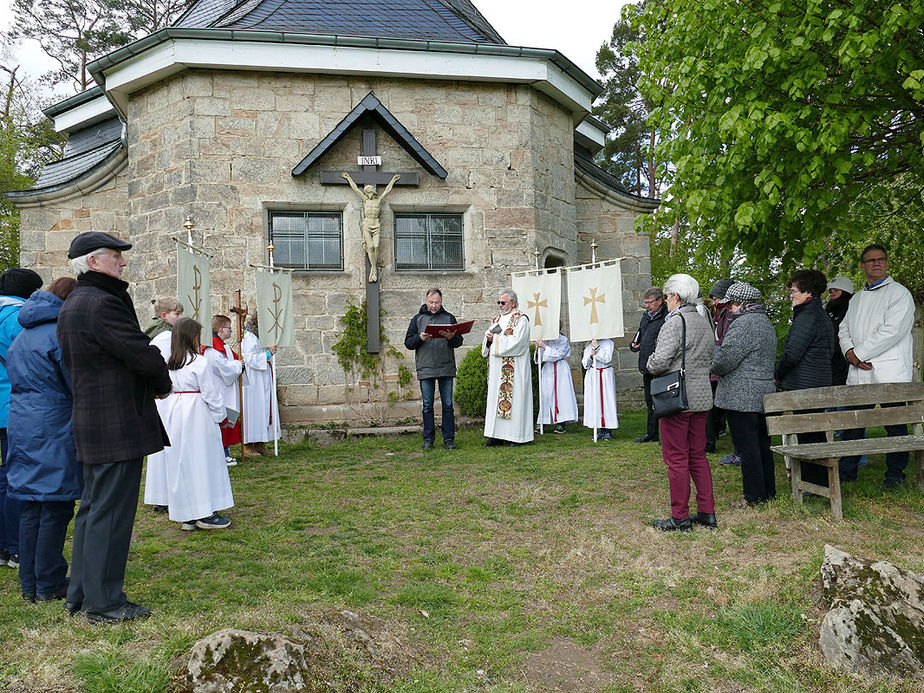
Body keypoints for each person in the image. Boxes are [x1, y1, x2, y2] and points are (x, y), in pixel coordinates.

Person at [57, 232, 172, 623]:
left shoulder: (78, 301)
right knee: (111, 514)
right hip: (115, 422)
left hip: (95, 419)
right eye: (116, 257)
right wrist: (161, 380)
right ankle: (105, 604)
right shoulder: (100, 303)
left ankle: (81, 593)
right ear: (93, 262)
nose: (123, 263)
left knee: (93, 509)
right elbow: (140, 353)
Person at [6, 278, 79, 602]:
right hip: (52, 421)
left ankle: (30, 583)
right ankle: (48, 582)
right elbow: (73, 380)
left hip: (22, 420)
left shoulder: (24, 333)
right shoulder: (58, 333)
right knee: (55, 504)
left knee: (32, 506)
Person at [837, 244, 915, 489]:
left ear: (887, 263)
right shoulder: (857, 298)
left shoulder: (899, 294)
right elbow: (844, 328)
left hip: (890, 371)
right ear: (863, 266)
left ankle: (895, 475)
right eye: (871, 261)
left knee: (895, 424)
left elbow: (892, 331)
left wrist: (858, 352)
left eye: (881, 259)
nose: (877, 263)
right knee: (854, 423)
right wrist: (850, 352)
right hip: (859, 370)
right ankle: (847, 471)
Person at [645, 274, 716, 531]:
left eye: (666, 296)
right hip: (701, 397)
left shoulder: (675, 322)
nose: (665, 300)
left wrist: (649, 363)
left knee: (676, 458)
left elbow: (661, 360)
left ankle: (680, 516)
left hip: (678, 397)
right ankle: (707, 512)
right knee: (697, 456)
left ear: (676, 296)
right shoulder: (703, 319)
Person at [157, 317, 234, 530]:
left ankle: (188, 514)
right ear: (192, 337)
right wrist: (221, 416)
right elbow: (211, 394)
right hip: (197, 413)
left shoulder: (170, 362)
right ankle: (204, 512)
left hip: (175, 413)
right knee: (203, 460)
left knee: (182, 461)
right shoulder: (199, 362)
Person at [711, 281, 778, 508]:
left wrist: (713, 363)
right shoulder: (764, 322)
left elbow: (725, 360)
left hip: (742, 396)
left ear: (741, 303)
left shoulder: (743, 324)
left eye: (731, 304)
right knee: (761, 446)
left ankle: (753, 497)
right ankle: (767, 492)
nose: (728, 309)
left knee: (747, 449)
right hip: (761, 393)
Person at [775, 270, 837, 486]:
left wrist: (777, 374)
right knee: (813, 434)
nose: (791, 295)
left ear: (808, 291)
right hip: (816, 381)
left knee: (807, 436)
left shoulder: (808, 316)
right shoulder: (819, 314)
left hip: (804, 385)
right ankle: (817, 481)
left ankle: (813, 483)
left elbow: (792, 353)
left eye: (794, 291)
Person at [0, 267, 43, 570]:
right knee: (16, 477)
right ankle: (16, 546)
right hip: (11, 405)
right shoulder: (17, 318)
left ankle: (4, 546)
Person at [404, 288, 463, 450]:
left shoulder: (449, 317)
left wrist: (452, 338)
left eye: (437, 302)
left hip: (446, 367)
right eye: (431, 302)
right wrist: (419, 338)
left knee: (448, 404)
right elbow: (408, 343)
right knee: (428, 405)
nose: (434, 305)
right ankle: (428, 439)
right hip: (426, 367)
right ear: (426, 301)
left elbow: (458, 342)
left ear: (441, 302)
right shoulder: (418, 319)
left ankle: (449, 440)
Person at [482, 288, 533, 446]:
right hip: (498, 369)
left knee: (516, 400)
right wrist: (490, 340)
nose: (500, 305)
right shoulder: (497, 320)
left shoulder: (521, 319)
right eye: (498, 302)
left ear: (513, 303)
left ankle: (517, 437)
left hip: (514, 369)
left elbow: (518, 344)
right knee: (495, 400)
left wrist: (496, 339)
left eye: (503, 302)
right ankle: (495, 435)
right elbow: (487, 343)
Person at [342, 172, 400, 283]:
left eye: (369, 192)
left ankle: (374, 267)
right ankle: (373, 268)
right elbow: (356, 189)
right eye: (366, 192)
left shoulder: (378, 200)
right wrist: (349, 178)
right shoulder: (365, 200)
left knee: (376, 246)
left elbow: (387, 191)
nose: (367, 193)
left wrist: (393, 180)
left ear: (372, 192)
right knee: (370, 247)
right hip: (367, 225)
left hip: (376, 225)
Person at [204, 314, 243, 464]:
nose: (231, 331)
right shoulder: (214, 349)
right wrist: (239, 365)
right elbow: (225, 369)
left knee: (225, 422)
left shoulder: (220, 346)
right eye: (229, 328)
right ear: (221, 329)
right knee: (222, 423)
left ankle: (224, 452)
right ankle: (223, 454)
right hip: (220, 390)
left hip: (221, 389)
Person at [630, 287, 667, 443]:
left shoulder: (667, 317)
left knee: (664, 402)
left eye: (649, 303)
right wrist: (633, 345)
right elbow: (639, 335)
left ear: (659, 301)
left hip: (661, 367)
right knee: (650, 402)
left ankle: (666, 435)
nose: (647, 306)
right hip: (647, 367)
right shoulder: (646, 317)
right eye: (645, 303)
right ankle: (651, 433)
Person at [707, 278, 738, 460]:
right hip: (717, 367)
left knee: (726, 410)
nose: (715, 301)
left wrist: (715, 352)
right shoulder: (721, 314)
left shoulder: (729, 315)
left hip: (722, 368)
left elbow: (725, 341)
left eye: (717, 297)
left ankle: (736, 450)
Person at [241, 314, 280, 455]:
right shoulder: (250, 336)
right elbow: (250, 358)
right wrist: (268, 354)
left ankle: (260, 443)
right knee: (255, 409)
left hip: (263, 376)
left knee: (265, 409)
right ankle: (249, 445)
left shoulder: (263, 335)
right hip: (254, 378)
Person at [535, 332, 578, 433]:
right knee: (545, 395)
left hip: (560, 368)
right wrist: (537, 349)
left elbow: (558, 354)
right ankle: (542, 421)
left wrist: (544, 347)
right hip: (548, 369)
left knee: (561, 395)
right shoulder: (545, 339)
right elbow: (540, 358)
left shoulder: (563, 339)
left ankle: (561, 423)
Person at [581, 338, 618, 441]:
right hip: (593, 375)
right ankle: (600, 430)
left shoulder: (608, 343)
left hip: (605, 374)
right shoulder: (589, 345)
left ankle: (608, 431)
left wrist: (597, 347)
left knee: (607, 401)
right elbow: (585, 364)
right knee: (595, 402)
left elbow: (607, 358)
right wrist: (591, 356)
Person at [824, 276, 854, 387]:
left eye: (836, 290)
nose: (832, 293)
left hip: (846, 360)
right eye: (830, 291)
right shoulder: (827, 311)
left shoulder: (851, 309)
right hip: (830, 361)